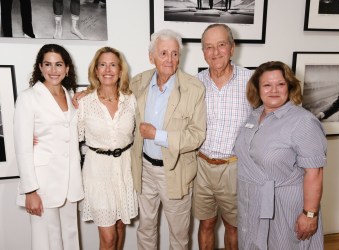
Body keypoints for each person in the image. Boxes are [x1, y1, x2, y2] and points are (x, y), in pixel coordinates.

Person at [235, 61, 327, 249]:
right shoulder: (253, 116)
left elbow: (314, 173)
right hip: (252, 201)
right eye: (267, 85)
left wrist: (310, 214)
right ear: (258, 89)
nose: (274, 90)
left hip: (285, 206)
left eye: (281, 84)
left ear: (290, 86)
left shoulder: (303, 122)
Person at [130, 29, 206, 249]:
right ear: (151, 57)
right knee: (145, 228)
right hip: (144, 169)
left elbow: (197, 135)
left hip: (174, 171)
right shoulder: (138, 82)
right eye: (163, 53)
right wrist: (85, 93)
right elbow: (111, 92)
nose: (170, 60)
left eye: (174, 54)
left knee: (179, 234)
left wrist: (158, 136)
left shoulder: (194, 88)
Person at [13, 44, 84, 250]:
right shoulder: (28, 98)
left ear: (67, 68)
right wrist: (30, 191)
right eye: (48, 64)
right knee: (46, 242)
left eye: (59, 64)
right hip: (42, 183)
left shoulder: (70, 95)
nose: (54, 70)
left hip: (70, 181)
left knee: (71, 237)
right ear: (40, 68)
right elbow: (23, 148)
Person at [193, 23, 252, 250]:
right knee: (206, 223)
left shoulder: (250, 81)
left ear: (232, 47)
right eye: (209, 47)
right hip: (202, 166)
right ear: (203, 52)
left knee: (233, 226)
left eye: (221, 45)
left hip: (234, 167)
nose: (215, 52)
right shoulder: (195, 82)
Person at [77, 47, 138, 249]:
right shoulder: (84, 102)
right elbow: (70, 137)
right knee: (109, 237)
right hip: (98, 174)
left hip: (124, 171)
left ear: (121, 71)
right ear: (95, 70)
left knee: (120, 228)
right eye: (102, 64)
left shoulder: (131, 100)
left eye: (113, 65)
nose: (107, 70)